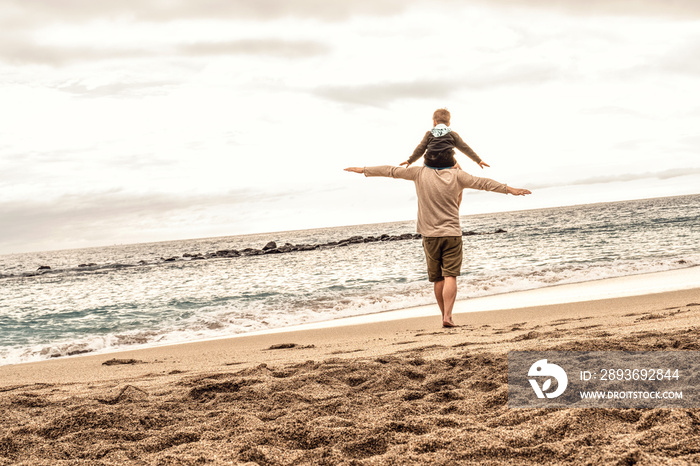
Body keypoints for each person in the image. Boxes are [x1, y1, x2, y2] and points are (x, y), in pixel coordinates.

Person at [344, 164, 530, 327]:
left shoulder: (420, 173)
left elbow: (392, 171)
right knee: (450, 276)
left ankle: (444, 315)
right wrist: (509, 189)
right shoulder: (458, 176)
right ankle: (448, 315)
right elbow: (484, 184)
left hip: (430, 236)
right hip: (452, 234)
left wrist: (364, 170)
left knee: (438, 279)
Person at [400, 108, 489, 170]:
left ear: (434, 122)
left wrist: (410, 161)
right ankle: (459, 197)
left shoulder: (429, 134)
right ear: (449, 123)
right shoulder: (453, 134)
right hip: (448, 163)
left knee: (424, 164)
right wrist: (478, 160)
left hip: (430, 163)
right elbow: (465, 148)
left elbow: (420, 149)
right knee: (460, 172)